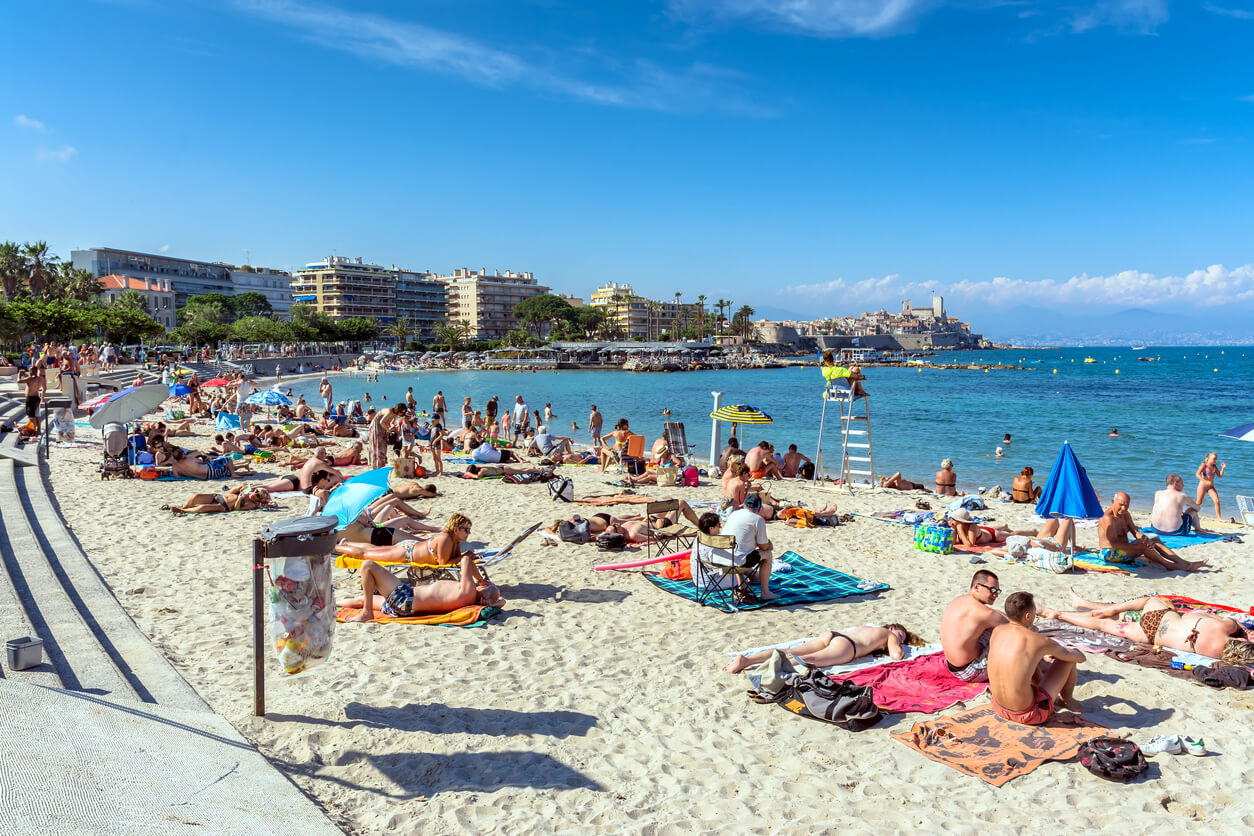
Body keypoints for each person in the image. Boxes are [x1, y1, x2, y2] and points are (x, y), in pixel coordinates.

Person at [1040, 589, 1254, 662]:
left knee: (1154, 599)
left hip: (1160, 615)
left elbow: (1233, 621)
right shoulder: (1217, 655)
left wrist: (1243, 632)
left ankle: (1113, 608)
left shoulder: (1223, 629)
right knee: (1102, 625)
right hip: (1150, 635)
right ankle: (1057, 613)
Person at [987, 592, 1084, 724]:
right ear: (1028, 616)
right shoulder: (1039, 641)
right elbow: (1080, 658)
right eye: (1034, 613)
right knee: (1068, 660)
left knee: (1030, 661)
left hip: (998, 707)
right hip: (1029, 714)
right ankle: (1067, 700)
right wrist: (1069, 651)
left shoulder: (997, 631)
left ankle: (1051, 695)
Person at [340, 554, 503, 622]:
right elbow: (500, 601)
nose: (482, 585)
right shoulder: (470, 597)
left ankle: (366, 613)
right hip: (403, 607)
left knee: (368, 566)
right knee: (361, 599)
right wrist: (491, 595)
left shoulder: (468, 592)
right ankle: (330, 602)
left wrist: (481, 580)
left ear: (482, 597)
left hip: (405, 598)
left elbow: (466, 560)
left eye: (485, 587)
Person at [724, 623, 914, 673]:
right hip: (847, 647)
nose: (900, 640)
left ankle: (746, 660)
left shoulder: (869, 628)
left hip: (832, 635)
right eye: (900, 635)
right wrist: (899, 644)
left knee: (791, 651)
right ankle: (766, 668)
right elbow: (897, 656)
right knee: (807, 660)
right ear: (892, 628)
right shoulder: (888, 635)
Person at [1098, 492, 1207, 571]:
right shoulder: (1108, 519)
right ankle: (1168, 565)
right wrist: (1140, 544)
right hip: (1109, 554)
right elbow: (1112, 544)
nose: (1123, 508)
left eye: (1126, 505)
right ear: (1113, 502)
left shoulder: (1125, 514)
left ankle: (1182, 562)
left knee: (1154, 539)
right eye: (1120, 505)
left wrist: (1144, 538)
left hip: (1123, 548)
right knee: (1143, 546)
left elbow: (1135, 532)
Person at [940, 570, 1007, 683]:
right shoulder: (985, 613)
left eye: (997, 591)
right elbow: (1015, 626)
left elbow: (996, 614)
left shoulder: (958, 600)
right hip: (970, 672)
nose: (995, 595)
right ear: (976, 586)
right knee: (1009, 636)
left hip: (951, 666)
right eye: (992, 590)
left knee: (992, 627)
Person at [719, 495, 777, 601]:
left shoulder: (734, 514)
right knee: (767, 554)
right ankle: (765, 592)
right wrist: (769, 544)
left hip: (719, 559)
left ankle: (743, 585)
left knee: (738, 551)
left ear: (744, 505)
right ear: (760, 508)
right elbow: (764, 547)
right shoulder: (758, 519)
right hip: (735, 562)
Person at [162, 484, 271, 515]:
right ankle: (184, 507)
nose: (255, 493)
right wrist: (239, 488)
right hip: (218, 497)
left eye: (257, 495)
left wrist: (240, 498)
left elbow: (237, 509)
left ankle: (182, 511)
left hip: (224, 506)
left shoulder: (252, 504)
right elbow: (230, 493)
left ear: (259, 500)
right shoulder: (246, 492)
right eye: (256, 491)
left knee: (203, 507)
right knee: (196, 497)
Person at [1195, 452, 1226, 522]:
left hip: (1211, 487)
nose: (1215, 460)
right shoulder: (1204, 465)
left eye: (1216, 459)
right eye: (1214, 459)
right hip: (1202, 486)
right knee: (1198, 503)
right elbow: (1197, 474)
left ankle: (1219, 518)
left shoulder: (1214, 466)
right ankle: (1190, 514)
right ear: (1208, 458)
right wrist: (1204, 481)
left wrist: (1223, 468)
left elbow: (1220, 475)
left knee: (1217, 501)